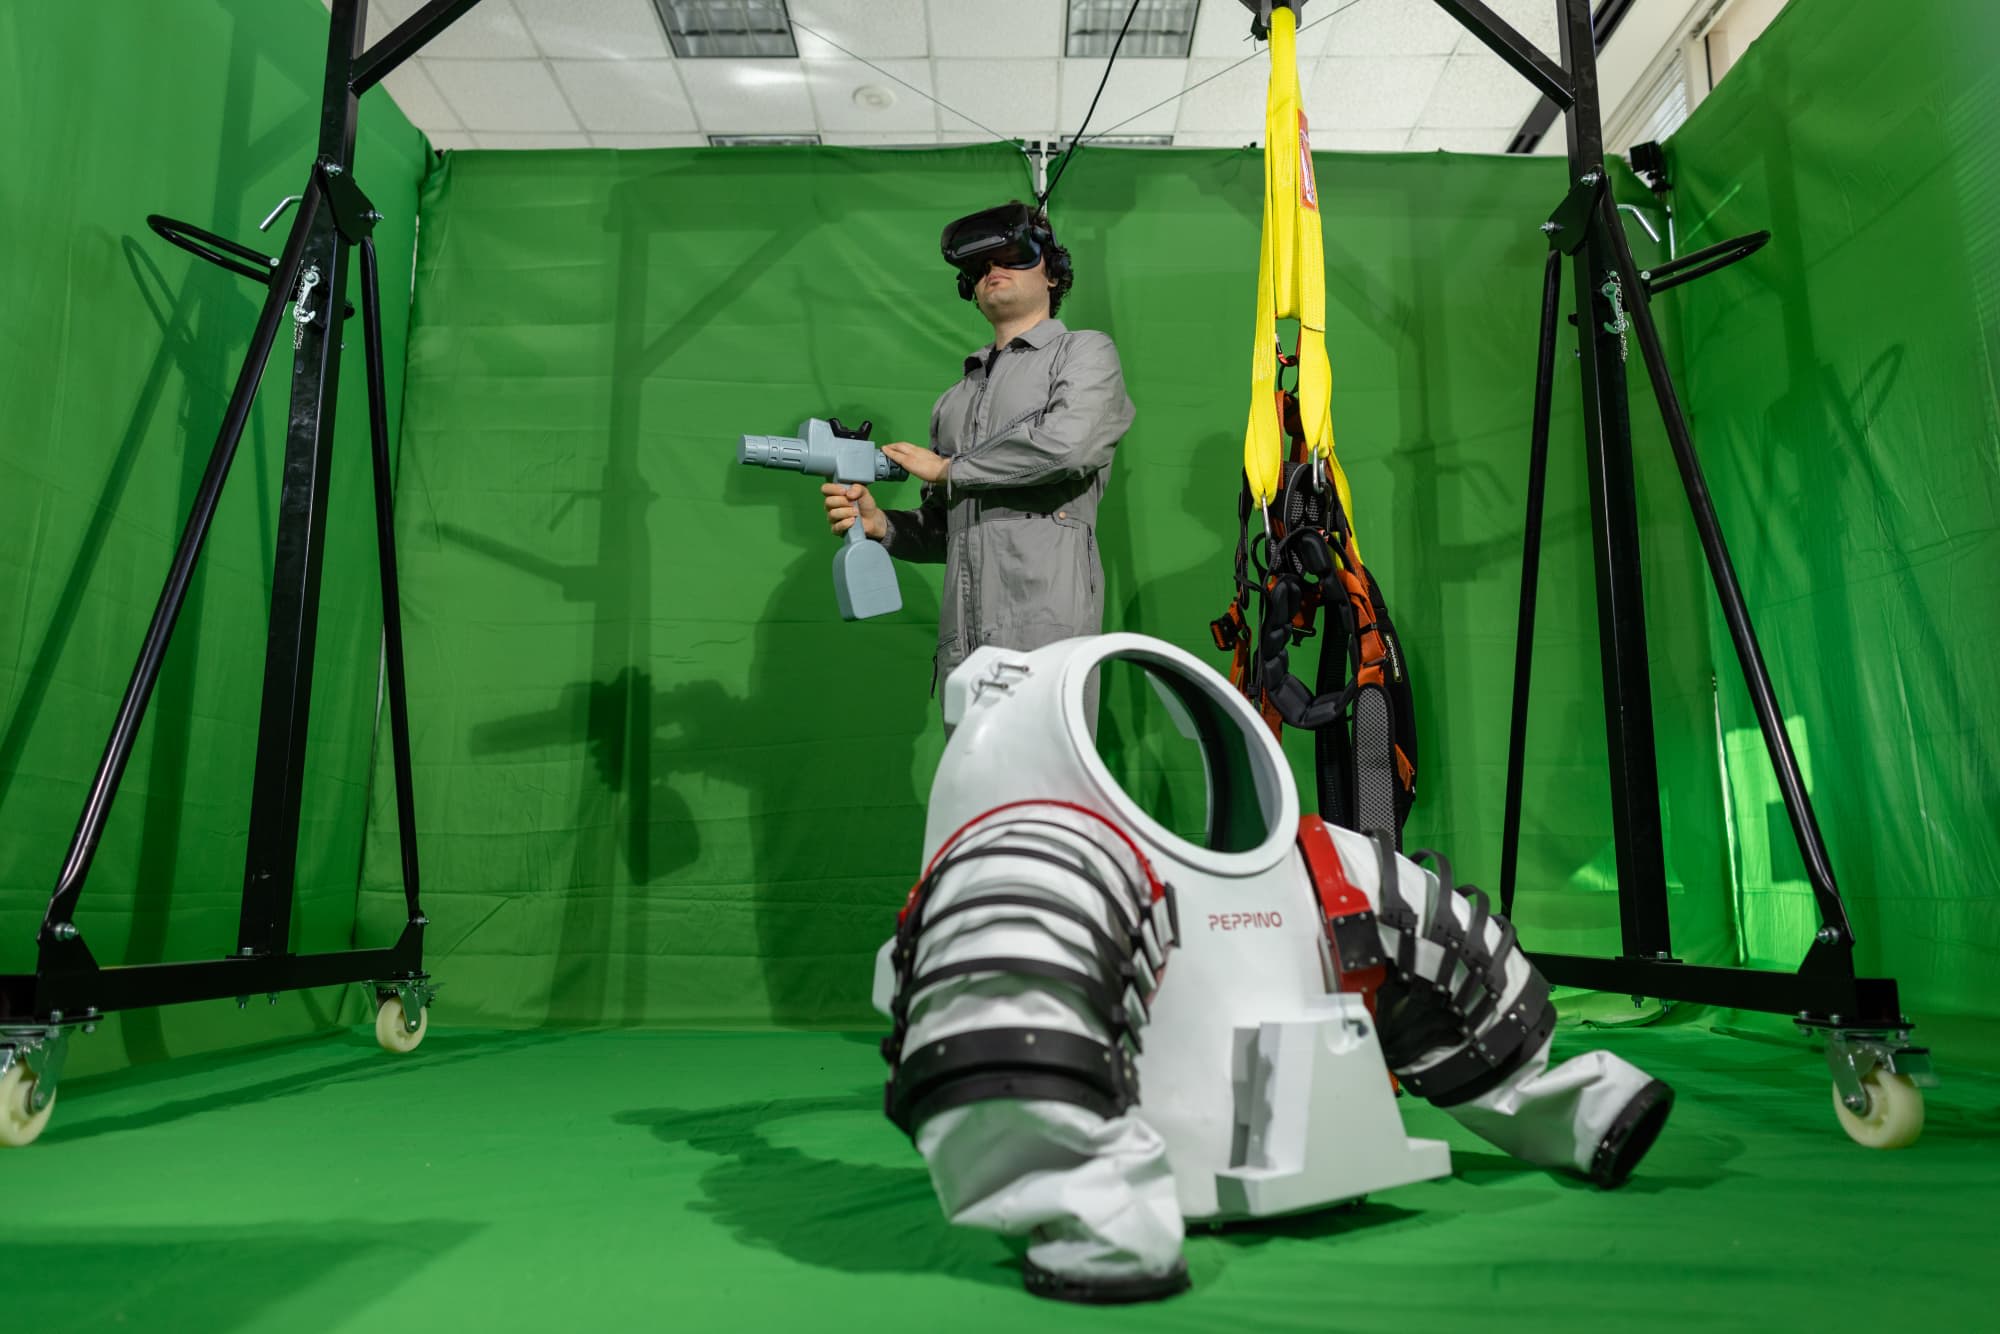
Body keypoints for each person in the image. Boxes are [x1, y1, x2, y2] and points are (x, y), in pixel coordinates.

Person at [821, 202, 1134, 722]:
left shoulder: (1083, 353)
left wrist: (950, 469)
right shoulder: (953, 400)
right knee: (973, 800)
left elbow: (1070, 444)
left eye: (1012, 255)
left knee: (1044, 793)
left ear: (1053, 273)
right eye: (980, 265)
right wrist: (883, 526)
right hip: (961, 650)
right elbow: (947, 531)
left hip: (1045, 634)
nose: (994, 270)